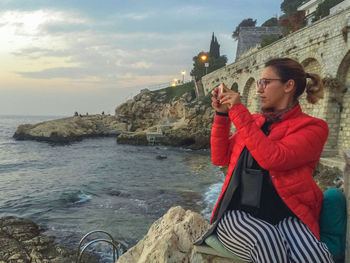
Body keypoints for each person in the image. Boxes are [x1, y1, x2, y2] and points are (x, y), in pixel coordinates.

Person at [195, 58, 334, 263]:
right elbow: (220, 158)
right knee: (266, 240)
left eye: (265, 82)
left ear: (289, 86)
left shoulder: (313, 128)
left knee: (316, 256)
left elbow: (274, 158)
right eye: (258, 83)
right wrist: (222, 115)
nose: (259, 90)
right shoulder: (253, 123)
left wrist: (239, 113)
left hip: (287, 216)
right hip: (237, 215)